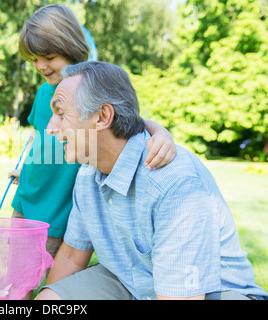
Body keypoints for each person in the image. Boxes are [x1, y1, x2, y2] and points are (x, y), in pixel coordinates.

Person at [36, 61, 268, 300]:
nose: (51, 128)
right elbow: (73, 256)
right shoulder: (88, 173)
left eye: (61, 114)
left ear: (103, 116)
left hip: (212, 292)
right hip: (129, 282)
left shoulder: (175, 182)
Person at [9, 3, 176, 266]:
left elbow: (133, 121)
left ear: (70, 46)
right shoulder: (43, 93)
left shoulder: (93, 89)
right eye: (33, 59)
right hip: (28, 196)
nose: (40, 65)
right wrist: (26, 169)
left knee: (45, 272)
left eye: (48, 56)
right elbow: (39, 136)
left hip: (56, 209)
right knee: (16, 276)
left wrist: (162, 133)